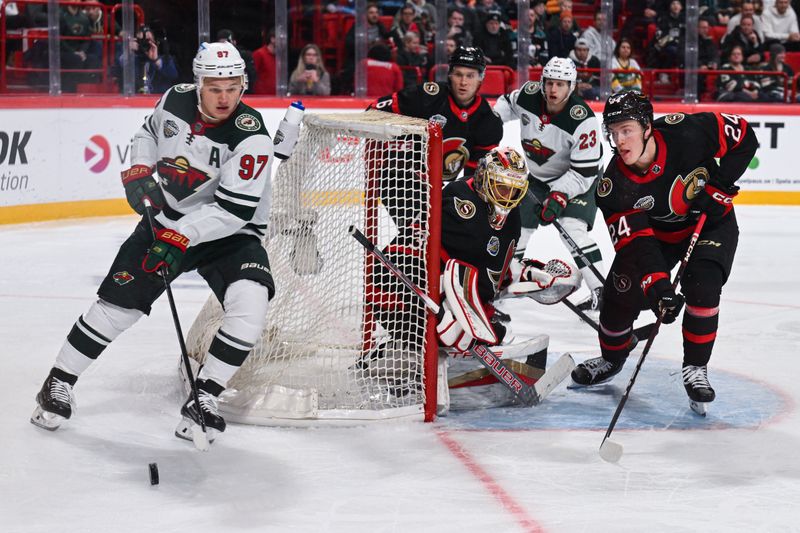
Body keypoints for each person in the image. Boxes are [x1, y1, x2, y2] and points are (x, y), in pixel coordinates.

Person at [30, 42, 298, 445]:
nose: (224, 97)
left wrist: (183, 235)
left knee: (251, 303)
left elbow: (233, 212)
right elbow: (148, 134)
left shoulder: (252, 138)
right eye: (214, 87)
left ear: (243, 84)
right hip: (166, 220)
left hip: (228, 235)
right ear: (197, 84)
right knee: (118, 307)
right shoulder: (174, 99)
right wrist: (139, 169)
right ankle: (58, 380)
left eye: (232, 86)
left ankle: (204, 397)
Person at [570, 91, 758, 415]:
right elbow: (637, 245)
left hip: (709, 225)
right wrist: (659, 289)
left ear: (646, 127)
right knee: (619, 297)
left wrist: (720, 185)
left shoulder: (686, 131)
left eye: (626, 129)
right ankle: (612, 358)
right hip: (657, 239)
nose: (619, 140)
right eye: (613, 132)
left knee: (704, 286)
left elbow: (744, 136)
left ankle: (696, 369)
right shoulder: (613, 186)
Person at [493, 57, 606, 314]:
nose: (554, 90)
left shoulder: (582, 119)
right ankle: (503, 279)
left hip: (579, 178)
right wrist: (490, 121)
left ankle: (601, 290)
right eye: (550, 83)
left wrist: (559, 195)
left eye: (561, 84)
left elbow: (584, 171)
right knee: (516, 227)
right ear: (542, 82)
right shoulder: (528, 95)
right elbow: (505, 104)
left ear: (572, 86)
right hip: (538, 178)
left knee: (572, 227)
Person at [369, 46, 504, 181]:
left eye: (470, 76)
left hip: (441, 187)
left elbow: (471, 180)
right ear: (450, 75)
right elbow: (374, 109)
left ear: (481, 78)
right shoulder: (427, 96)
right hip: (402, 180)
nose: (463, 82)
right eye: (458, 74)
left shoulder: (488, 120)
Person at [252, 28, 276, 95]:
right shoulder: (259, 54)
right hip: (261, 96)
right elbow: (252, 75)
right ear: (272, 39)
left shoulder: (280, 57)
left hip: (276, 96)